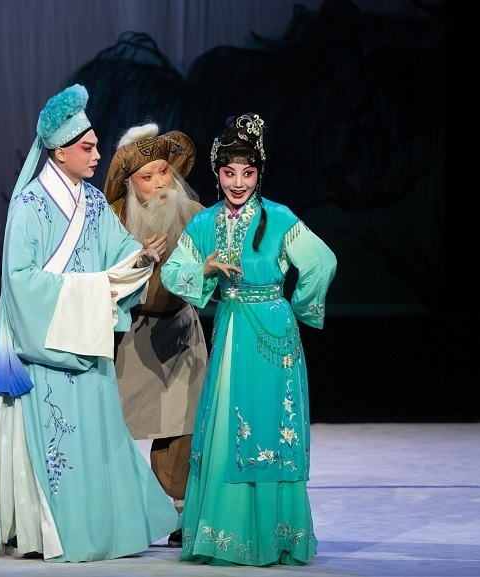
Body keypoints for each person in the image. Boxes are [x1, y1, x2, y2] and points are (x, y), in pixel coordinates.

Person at [0, 84, 178, 563]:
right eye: (87, 148)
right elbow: (20, 280)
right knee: (58, 442)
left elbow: (118, 250)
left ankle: (100, 528)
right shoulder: (29, 206)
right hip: (44, 344)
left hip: (86, 338)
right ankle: (50, 532)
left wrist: (140, 257)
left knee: (97, 435)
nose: (96, 155)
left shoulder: (91, 201)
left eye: (94, 146)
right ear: (59, 151)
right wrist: (93, 290)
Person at [160, 112, 337, 566]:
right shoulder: (205, 224)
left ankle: (274, 535)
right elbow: (172, 272)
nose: (238, 182)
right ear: (217, 173)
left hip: (273, 337)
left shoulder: (279, 218)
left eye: (248, 172)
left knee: (272, 428)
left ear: (259, 173)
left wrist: (294, 309)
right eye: (228, 172)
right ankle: (228, 535)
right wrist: (204, 268)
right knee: (228, 427)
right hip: (232, 328)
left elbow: (322, 261)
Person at [103, 123, 208, 548]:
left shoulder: (196, 215)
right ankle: (117, 512)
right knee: (114, 425)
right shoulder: (112, 221)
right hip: (129, 334)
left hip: (180, 331)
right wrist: (136, 261)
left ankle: (184, 512)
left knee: (182, 425)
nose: (161, 183)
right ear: (130, 184)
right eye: (147, 176)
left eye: (164, 171)